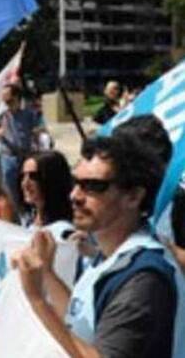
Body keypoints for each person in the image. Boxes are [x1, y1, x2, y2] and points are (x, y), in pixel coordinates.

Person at [12, 133, 184, 357]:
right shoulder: (110, 258)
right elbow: (78, 321)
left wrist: (37, 300)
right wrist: (47, 272)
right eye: (76, 183)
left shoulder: (143, 277)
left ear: (133, 197)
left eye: (93, 186)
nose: (75, 196)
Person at [0, 83, 42, 214]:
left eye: (9, 99)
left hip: (26, 156)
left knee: (29, 186)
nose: (6, 102)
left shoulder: (29, 114)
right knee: (10, 189)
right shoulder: (1, 115)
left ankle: (31, 211)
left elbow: (37, 132)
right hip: (9, 157)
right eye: (4, 99)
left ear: (17, 97)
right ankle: (16, 215)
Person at [20, 151, 73, 235]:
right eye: (23, 176)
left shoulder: (66, 230)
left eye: (34, 177)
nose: (25, 183)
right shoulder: (27, 220)